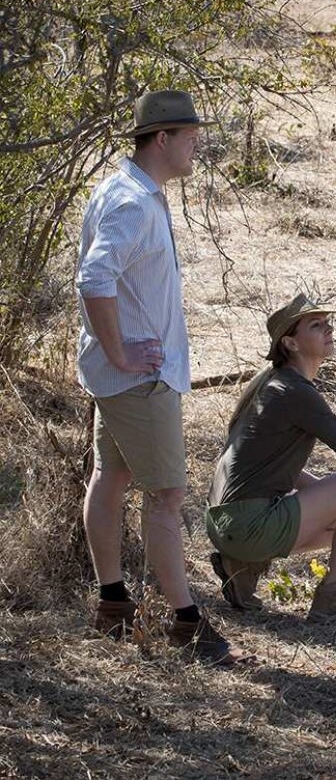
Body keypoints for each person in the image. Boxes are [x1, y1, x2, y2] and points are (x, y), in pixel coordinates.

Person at [77, 89, 236, 665]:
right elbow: (94, 279)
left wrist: (112, 355)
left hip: (125, 378)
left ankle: (113, 605)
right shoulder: (133, 203)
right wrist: (119, 352)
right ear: (162, 138)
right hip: (138, 379)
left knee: (110, 478)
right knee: (166, 496)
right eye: (190, 136)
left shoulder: (134, 191)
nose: (198, 144)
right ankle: (186, 623)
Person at [206, 293, 336, 620]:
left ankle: (243, 565)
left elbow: (266, 469)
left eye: (327, 323)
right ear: (291, 343)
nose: (329, 329)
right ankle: (335, 594)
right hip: (250, 525)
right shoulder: (296, 392)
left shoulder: (272, 386)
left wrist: (331, 501)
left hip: (226, 525)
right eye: (317, 325)